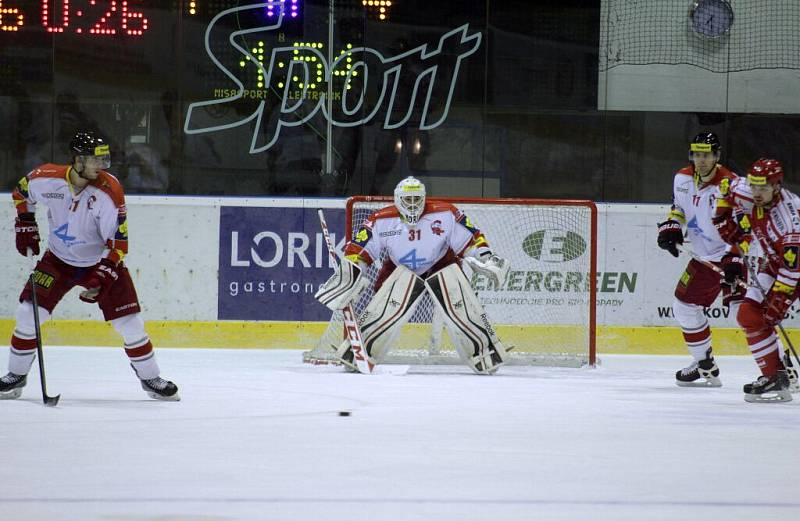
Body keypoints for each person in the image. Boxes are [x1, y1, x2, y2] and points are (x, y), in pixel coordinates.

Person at [0, 131, 179, 401]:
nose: (101, 166)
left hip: (100, 262)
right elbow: (22, 191)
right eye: (96, 160)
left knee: (130, 323)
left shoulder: (109, 191)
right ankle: (16, 375)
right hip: (57, 261)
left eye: (104, 159)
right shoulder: (47, 178)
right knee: (28, 314)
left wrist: (102, 279)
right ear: (77, 160)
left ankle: (150, 377)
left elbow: (118, 244)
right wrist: (25, 221)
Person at [314, 176, 511, 374]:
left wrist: (488, 258)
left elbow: (472, 239)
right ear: (398, 199)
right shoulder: (381, 220)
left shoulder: (445, 213)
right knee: (383, 308)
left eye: (417, 199)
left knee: (462, 302)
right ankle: (358, 351)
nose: (413, 204)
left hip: (441, 262)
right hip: (398, 266)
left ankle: (486, 350)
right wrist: (352, 273)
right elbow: (359, 250)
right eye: (408, 200)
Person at [656, 132, 746, 387]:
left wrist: (735, 257)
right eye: (697, 154)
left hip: (733, 256)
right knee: (683, 306)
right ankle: (703, 363)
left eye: (706, 155)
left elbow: (745, 226)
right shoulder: (682, 178)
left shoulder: (731, 184)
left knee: (745, 312)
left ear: (717, 156)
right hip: (704, 257)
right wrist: (672, 227)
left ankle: (780, 366)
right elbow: (679, 209)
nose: (701, 160)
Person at [712, 158, 797, 402]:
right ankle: (774, 377)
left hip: (794, 270)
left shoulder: (790, 222)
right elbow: (726, 186)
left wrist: (779, 300)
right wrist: (722, 216)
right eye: (754, 186)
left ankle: (779, 373)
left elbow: (792, 271)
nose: (757, 193)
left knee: (768, 315)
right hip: (774, 262)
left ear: (777, 186)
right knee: (749, 315)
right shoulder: (748, 191)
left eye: (763, 188)